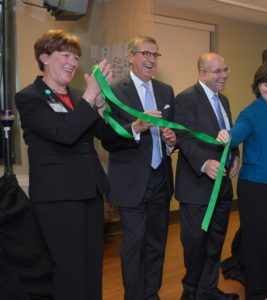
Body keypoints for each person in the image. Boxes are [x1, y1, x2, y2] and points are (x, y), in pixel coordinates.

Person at [15, 29, 114, 300]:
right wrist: (90, 97)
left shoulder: (79, 95)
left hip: (90, 190)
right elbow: (65, 134)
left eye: (76, 56)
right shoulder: (30, 97)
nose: (73, 61)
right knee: (69, 269)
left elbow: (107, 137)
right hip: (58, 197)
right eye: (66, 55)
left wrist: (123, 121)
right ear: (44, 57)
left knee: (92, 265)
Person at [102, 36, 176, 300]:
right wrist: (136, 127)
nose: (151, 60)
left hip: (161, 179)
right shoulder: (114, 91)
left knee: (156, 243)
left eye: (155, 55)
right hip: (130, 182)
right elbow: (108, 140)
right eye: (145, 53)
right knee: (134, 244)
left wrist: (171, 142)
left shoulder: (166, 91)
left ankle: (151, 293)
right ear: (131, 57)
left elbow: (173, 132)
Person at [216, 61, 267, 300]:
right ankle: (256, 293)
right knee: (257, 244)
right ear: (258, 86)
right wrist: (226, 136)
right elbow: (236, 134)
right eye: (266, 84)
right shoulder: (251, 112)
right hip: (257, 188)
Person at [173, 52, 240, 300]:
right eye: (217, 71)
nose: (224, 75)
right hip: (197, 188)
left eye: (225, 69)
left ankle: (208, 290)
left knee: (214, 244)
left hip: (221, 188)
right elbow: (185, 137)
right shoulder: (186, 99)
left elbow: (229, 135)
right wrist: (204, 163)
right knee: (196, 244)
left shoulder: (224, 100)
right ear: (202, 74)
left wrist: (235, 156)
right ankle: (190, 293)